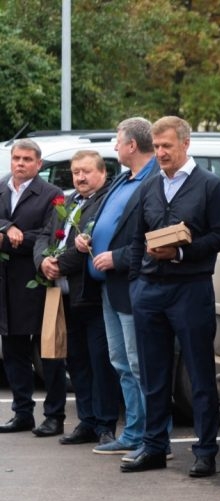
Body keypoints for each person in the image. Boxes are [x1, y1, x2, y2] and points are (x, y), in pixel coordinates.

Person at [122, 116, 220, 475]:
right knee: (153, 375)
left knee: (200, 375)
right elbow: (138, 238)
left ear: (185, 144)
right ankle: (154, 446)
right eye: (156, 147)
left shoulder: (209, 186)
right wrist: (137, 283)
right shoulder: (150, 187)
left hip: (190, 289)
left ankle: (205, 452)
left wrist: (182, 253)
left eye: (167, 146)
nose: (161, 153)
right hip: (150, 291)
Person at [82, 118, 163, 457]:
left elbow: (155, 236)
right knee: (120, 362)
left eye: (118, 141)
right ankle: (133, 431)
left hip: (133, 284)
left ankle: (154, 436)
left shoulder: (155, 180)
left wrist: (117, 256)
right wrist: (88, 234)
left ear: (132, 145)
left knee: (140, 362)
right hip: (109, 287)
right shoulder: (123, 179)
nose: (114, 148)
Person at [33, 150, 119, 447]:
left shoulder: (104, 203)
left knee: (100, 363)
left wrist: (60, 263)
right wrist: (43, 261)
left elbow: (87, 249)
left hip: (91, 297)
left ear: (102, 173)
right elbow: (45, 236)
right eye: (75, 172)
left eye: (86, 171)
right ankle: (87, 420)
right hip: (64, 297)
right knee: (78, 361)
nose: (80, 177)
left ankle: (106, 424)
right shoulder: (67, 202)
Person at [0, 140, 65, 436]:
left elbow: (51, 236)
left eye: (27, 159)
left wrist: (16, 239)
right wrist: (4, 227)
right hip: (5, 284)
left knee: (47, 352)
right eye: (16, 158)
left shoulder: (52, 195)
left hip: (37, 282)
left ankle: (54, 415)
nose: (20, 163)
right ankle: (22, 413)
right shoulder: (1, 186)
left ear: (39, 164)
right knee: (13, 351)